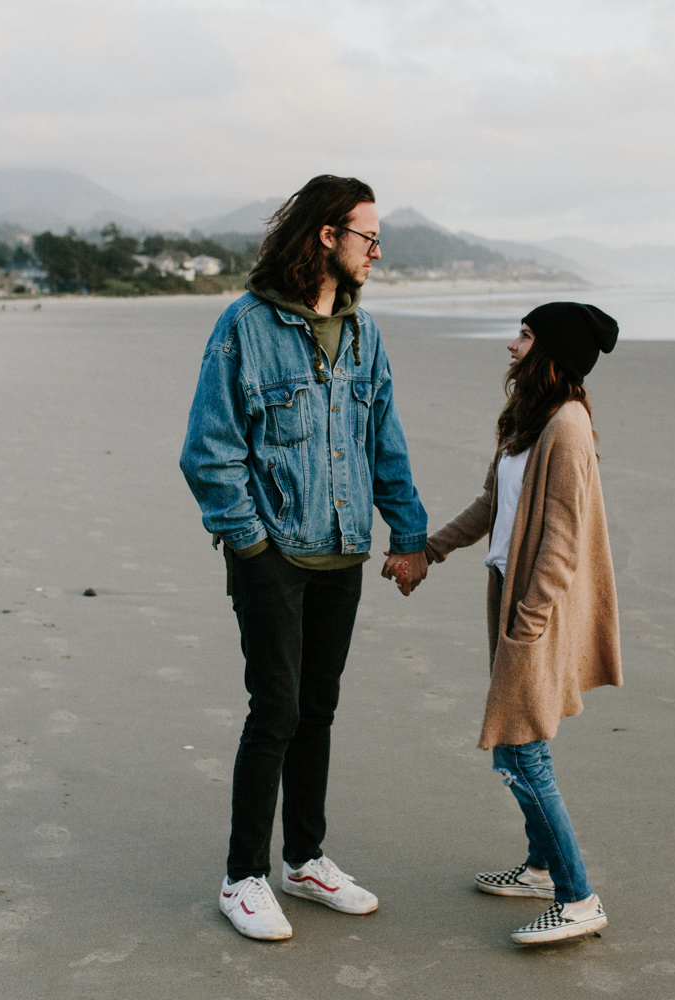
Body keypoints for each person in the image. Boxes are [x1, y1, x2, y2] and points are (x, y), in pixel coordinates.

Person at [179, 175, 430, 942]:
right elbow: (209, 452)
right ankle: (243, 877)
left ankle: (306, 860)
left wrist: (409, 532)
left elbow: (383, 438)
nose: (378, 251)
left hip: (343, 554)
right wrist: (250, 546)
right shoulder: (244, 327)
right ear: (327, 236)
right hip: (274, 555)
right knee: (276, 711)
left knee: (317, 710)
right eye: (368, 237)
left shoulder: (364, 333)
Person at [391, 302, 622, 945]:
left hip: (534, 607)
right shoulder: (531, 420)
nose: (511, 345)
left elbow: (562, 543)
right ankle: (542, 869)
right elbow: (493, 504)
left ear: (549, 351)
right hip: (506, 592)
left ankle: (579, 897)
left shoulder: (568, 429)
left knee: (523, 748)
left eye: (523, 336)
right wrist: (427, 551)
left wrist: (529, 625)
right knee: (518, 743)